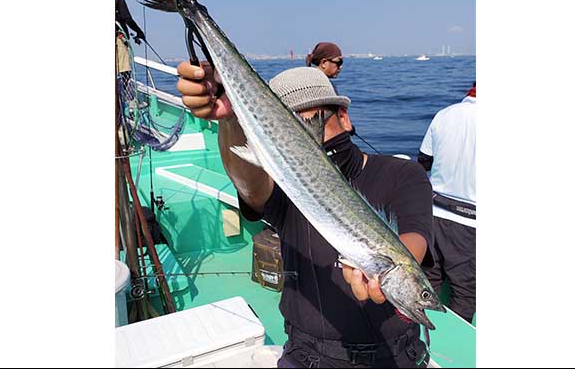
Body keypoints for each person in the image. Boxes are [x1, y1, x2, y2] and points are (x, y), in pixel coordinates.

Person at [177, 62, 435, 368]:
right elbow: (249, 185)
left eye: (316, 121)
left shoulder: (402, 173)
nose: (306, 141)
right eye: (291, 130)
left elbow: (415, 236)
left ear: (345, 117)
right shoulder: (285, 186)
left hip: (396, 357)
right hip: (308, 356)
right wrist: (231, 120)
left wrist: (385, 269)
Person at [417, 82, 476, 324]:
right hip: (470, 222)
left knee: (428, 283)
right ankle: (450, 353)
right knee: (465, 292)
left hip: (433, 215)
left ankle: (417, 342)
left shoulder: (444, 115)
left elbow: (423, 161)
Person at [115, 0, 146, 79]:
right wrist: (139, 32)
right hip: (118, 38)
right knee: (124, 69)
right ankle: (123, 90)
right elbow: (128, 19)